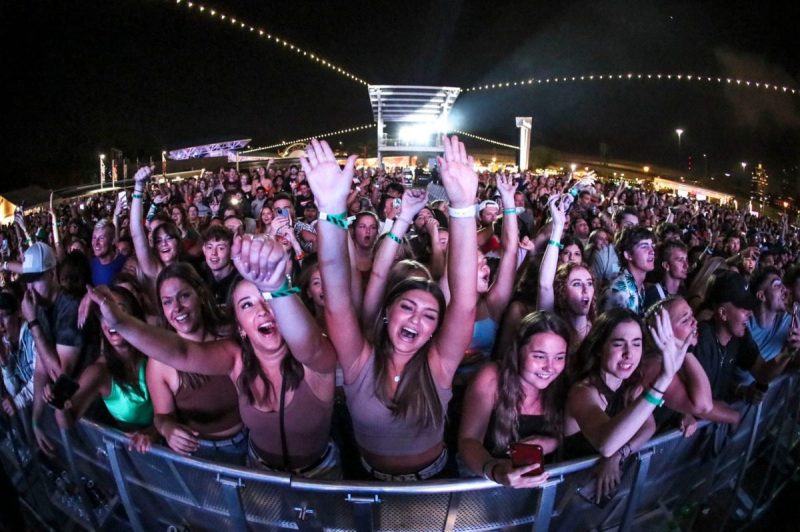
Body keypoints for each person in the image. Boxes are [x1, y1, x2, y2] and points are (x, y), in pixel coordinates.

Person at [88, 235, 341, 478]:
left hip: (320, 476)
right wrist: (121, 323)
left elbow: (308, 344)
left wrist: (276, 287)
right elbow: (182, 353)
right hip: (258, 472)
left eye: (266, 299)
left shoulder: (315, 361)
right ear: (240, 327)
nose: (263, 310)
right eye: (246, 304)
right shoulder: (235, 358)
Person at [309, 135, 478, 480]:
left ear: (435, 329)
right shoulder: (360, 361)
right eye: (408, 307)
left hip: (432, 481)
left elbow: (464, 301)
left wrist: (463, 207)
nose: (417, 318)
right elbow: (337, 299)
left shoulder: (439, 366)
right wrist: (330, 211)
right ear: (387, 312)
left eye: (430, 315)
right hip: (366, 478)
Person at [565, 308, 690, 502]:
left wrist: (620, 455)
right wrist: (663, 379)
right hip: (562, 496)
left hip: (590, 499)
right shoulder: (583, 392)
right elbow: (606, 445)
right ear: (599, 348)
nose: (628, 354)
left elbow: (648, 426)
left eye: (636, 344)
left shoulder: (630, 385)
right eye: (618, 344)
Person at [459, 311, 572, 488]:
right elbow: (468, 441)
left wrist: (554, 442)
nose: (550, 367)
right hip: (486, 488)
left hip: (543, 492)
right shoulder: (491, 377)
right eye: (539, 356)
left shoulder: (564, 383)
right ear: (517, 351)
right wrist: (496, 471)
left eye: (559, 357)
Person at [146, 264, 244, 464]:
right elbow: (162, 416)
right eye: (167, 302)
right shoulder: (160, 361)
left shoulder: (229, 333)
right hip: (201, 453)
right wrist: (167, 429)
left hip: (250, 441)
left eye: (184, 296)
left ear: (199, 293)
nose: (177, 308)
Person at [51, 286, 156, 453]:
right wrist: (58, 402)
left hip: (180, 443)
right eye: (103, 314)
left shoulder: (154, 349)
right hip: (142, 454)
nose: (110, 320)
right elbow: (67, 421)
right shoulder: (100, 371)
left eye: (118, 310)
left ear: (134, 316)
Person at [602, 227, 655, 316]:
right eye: (644, 246)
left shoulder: (636, 284)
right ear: (628, 255)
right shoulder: (621, 292)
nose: (652, 251)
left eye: (652, 246)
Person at [643, 240, 689, 310]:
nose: (686, 265)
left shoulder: (683, 294)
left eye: (686, 260)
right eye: (680, 260)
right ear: (666, 265)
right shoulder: (653, 295)